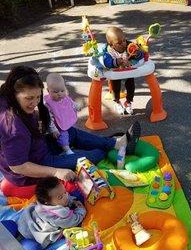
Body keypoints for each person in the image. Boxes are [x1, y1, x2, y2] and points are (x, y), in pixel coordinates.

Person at [0, 66, 141, 199]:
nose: (35, 102)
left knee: (69, 132)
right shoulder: (13, 127)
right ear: (14, 93)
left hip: (37, 146)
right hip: (35, 166)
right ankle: (108, 147)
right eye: (29, 98)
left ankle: (115, 143)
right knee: (95, 154)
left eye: (37, 97)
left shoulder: (6, 94)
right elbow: (18, 166)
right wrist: (56, 172)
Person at [17, 177, 86, 247]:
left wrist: (73, 201)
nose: (66, 196)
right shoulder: (57, 213)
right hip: (31, 233)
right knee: (32, 248)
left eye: (65, 192)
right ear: (47, 202)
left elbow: (66, 197)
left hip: (23, 221)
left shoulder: (50, 201)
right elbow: (74, 221)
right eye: (60, 197)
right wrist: (80, 210)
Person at [102, 26, 144, 115]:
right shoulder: (108, 51)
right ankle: (117, 102)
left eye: (124, 40)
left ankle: (128, 102)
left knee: (131, 86)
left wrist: (137, 53)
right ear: (111, 44)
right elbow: (106, 62)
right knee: (115, 88)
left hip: (128, 70)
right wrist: (116, 62)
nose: (123, 44)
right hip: (116, 73)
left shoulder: (129, 46)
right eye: (119, 43)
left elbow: (141, 55)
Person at [45, 73, 80, 155]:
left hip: (64, 120)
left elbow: (71, 103)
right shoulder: (48, 103)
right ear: (48, 91)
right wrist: (53, 129)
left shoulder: (64, 97)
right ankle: (66, 150)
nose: (60, 94)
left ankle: (72, 141)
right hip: (58, 126)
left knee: (71, 130)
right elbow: (48, 119)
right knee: (63, 136)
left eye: (62, 90)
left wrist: (76, 106)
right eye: (56, 92)